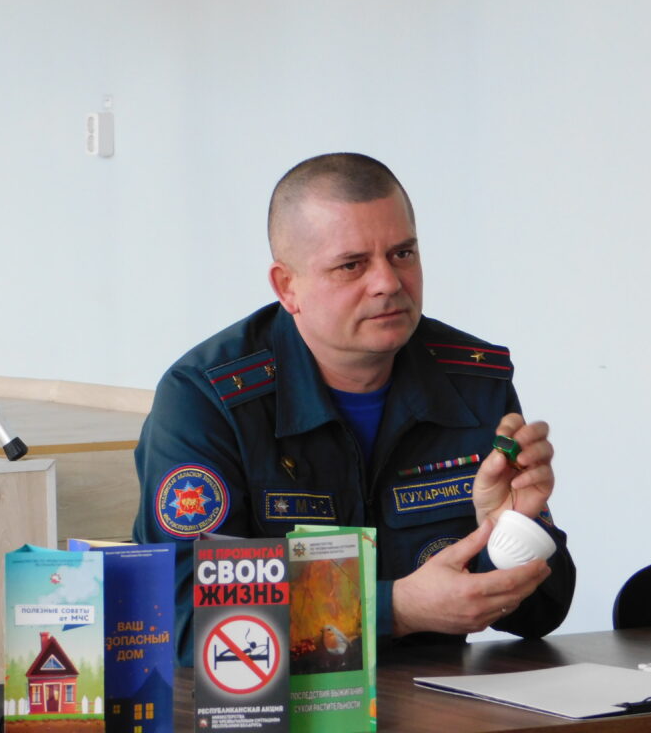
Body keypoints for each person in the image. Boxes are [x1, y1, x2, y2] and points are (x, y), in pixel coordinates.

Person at [133, 152, 575, 666]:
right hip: (280, 704)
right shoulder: (208, 399)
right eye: (352, 265)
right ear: (287, 287)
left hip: (434, 700)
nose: (388, 282)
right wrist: (393, 610)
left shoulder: (472, 382)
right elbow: (184, 619)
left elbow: (542, 614)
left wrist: (509, 533)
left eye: (403, 254)